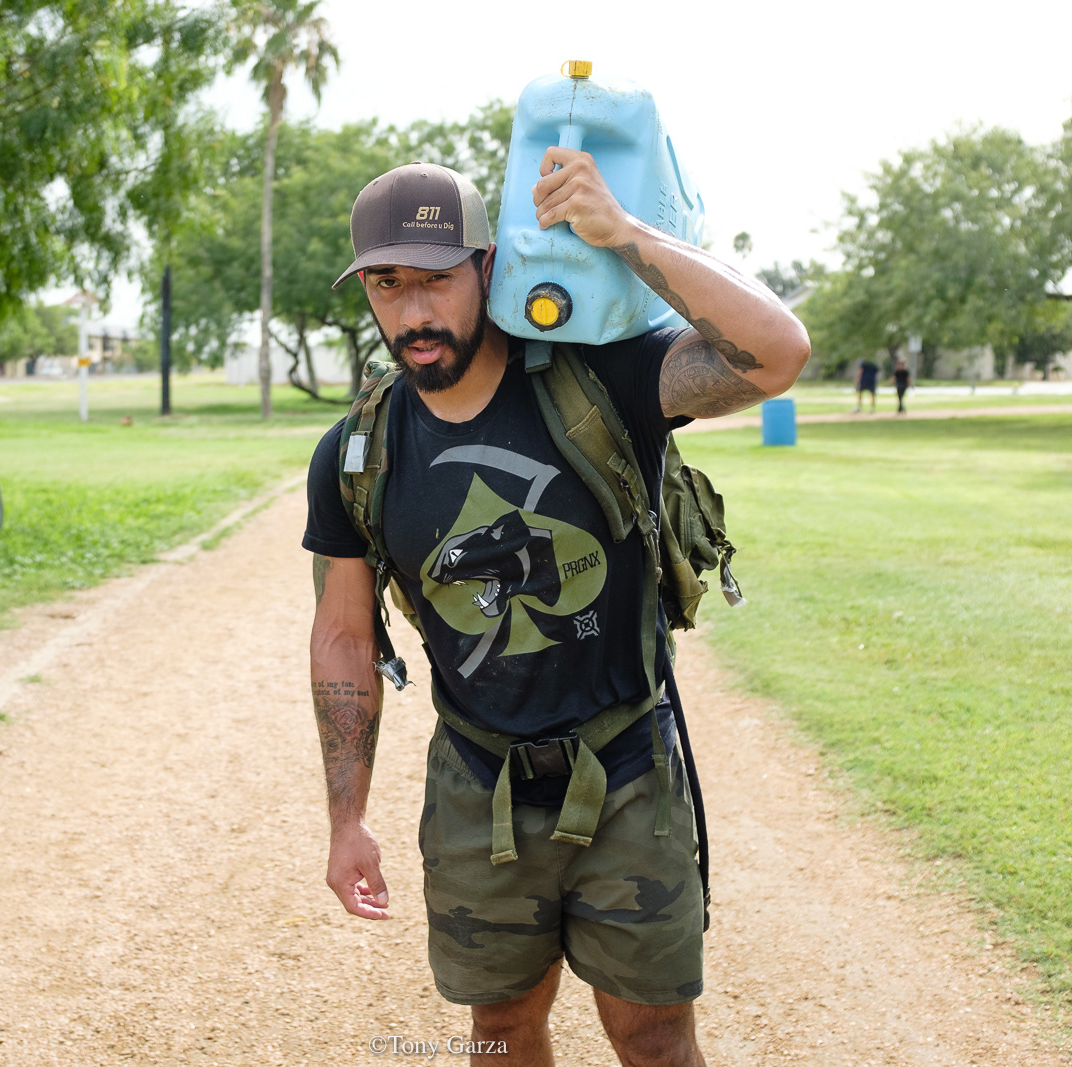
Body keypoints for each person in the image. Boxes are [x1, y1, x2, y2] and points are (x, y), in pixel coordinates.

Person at [303, 157, 808, 1066]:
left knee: (653, 1036)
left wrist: (625, 234)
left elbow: (777, 353)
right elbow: (343, 633)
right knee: (498, 1033)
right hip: (477, 779)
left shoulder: (599, 380)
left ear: (488, 267)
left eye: (435, 278)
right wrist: (347, 817)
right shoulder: (354, 452)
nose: (413, 312)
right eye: (387, 284)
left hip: (626, 769)